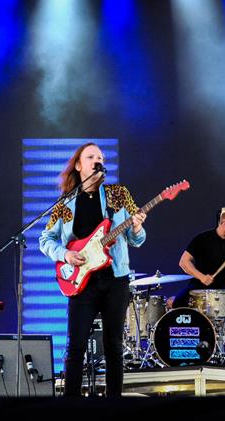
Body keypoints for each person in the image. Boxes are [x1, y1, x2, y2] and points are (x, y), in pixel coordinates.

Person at [39, 142, 147, 398]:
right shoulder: (66, 203)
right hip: (82, 281)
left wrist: (137, 227)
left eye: (100, 157)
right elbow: (46, 239)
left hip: (115, 278)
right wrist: (65, 254)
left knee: (114, 346)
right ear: (78, 165)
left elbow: (136, 240)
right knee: (75, 347)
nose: (97, 160)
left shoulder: (118, 193)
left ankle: (114, 402)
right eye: (90, 157)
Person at [171, 205, 225, 360]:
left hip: (222, 290)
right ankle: (185, 352)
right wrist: (201, 276)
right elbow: (184, 262)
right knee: (178, 302)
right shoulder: (202, 239)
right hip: (199, 288)